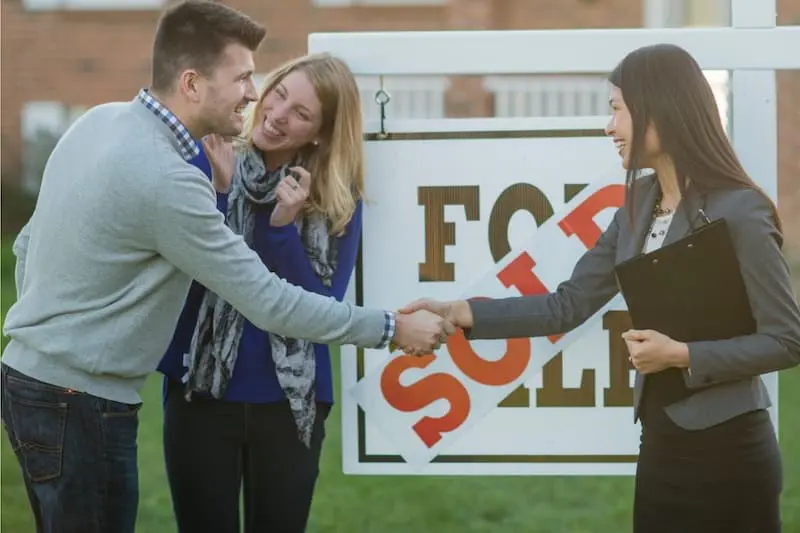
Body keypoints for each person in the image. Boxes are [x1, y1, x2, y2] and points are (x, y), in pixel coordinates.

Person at [0, 2, 450, 533]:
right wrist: (392, 328)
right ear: (192, 83)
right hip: (89, 398)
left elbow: (27, 245)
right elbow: (265, 299)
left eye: (294, 107)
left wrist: (47, 336)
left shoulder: (98, 120)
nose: (257, 97)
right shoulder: (173, 174)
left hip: (37, 381)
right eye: (244, 79)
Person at [401, 43, 800, 533]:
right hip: (661, 446)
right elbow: (566, 306)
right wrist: (462, 311)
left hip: (731, 455)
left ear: (660, 108)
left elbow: (785, 340)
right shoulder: (635, 206)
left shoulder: (741, 209)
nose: (609, 126)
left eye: (617, 109)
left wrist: (681, 355)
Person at [157, 53, 370, 533]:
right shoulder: (206, 156)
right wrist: (220, 195)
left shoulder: (336, 198)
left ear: (320, 133)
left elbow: (322, 309)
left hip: (290, 404)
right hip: (201, 394)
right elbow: (186, 272)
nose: (277, 115)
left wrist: (280, 229)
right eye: (280, 95)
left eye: (301, 113)